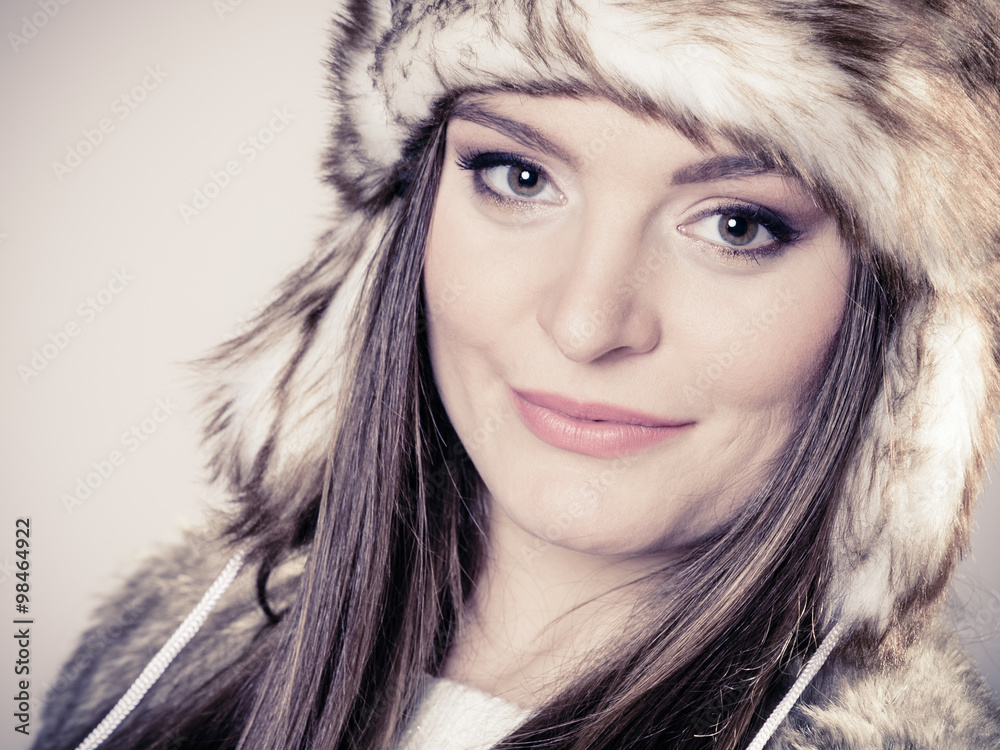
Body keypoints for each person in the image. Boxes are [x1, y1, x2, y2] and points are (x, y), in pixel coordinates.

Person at [31, 0, 1000, 748]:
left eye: (736, 224)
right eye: (519, 176)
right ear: (408, 215)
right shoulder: (146, 660)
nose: (584, 324)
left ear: (906, 327)